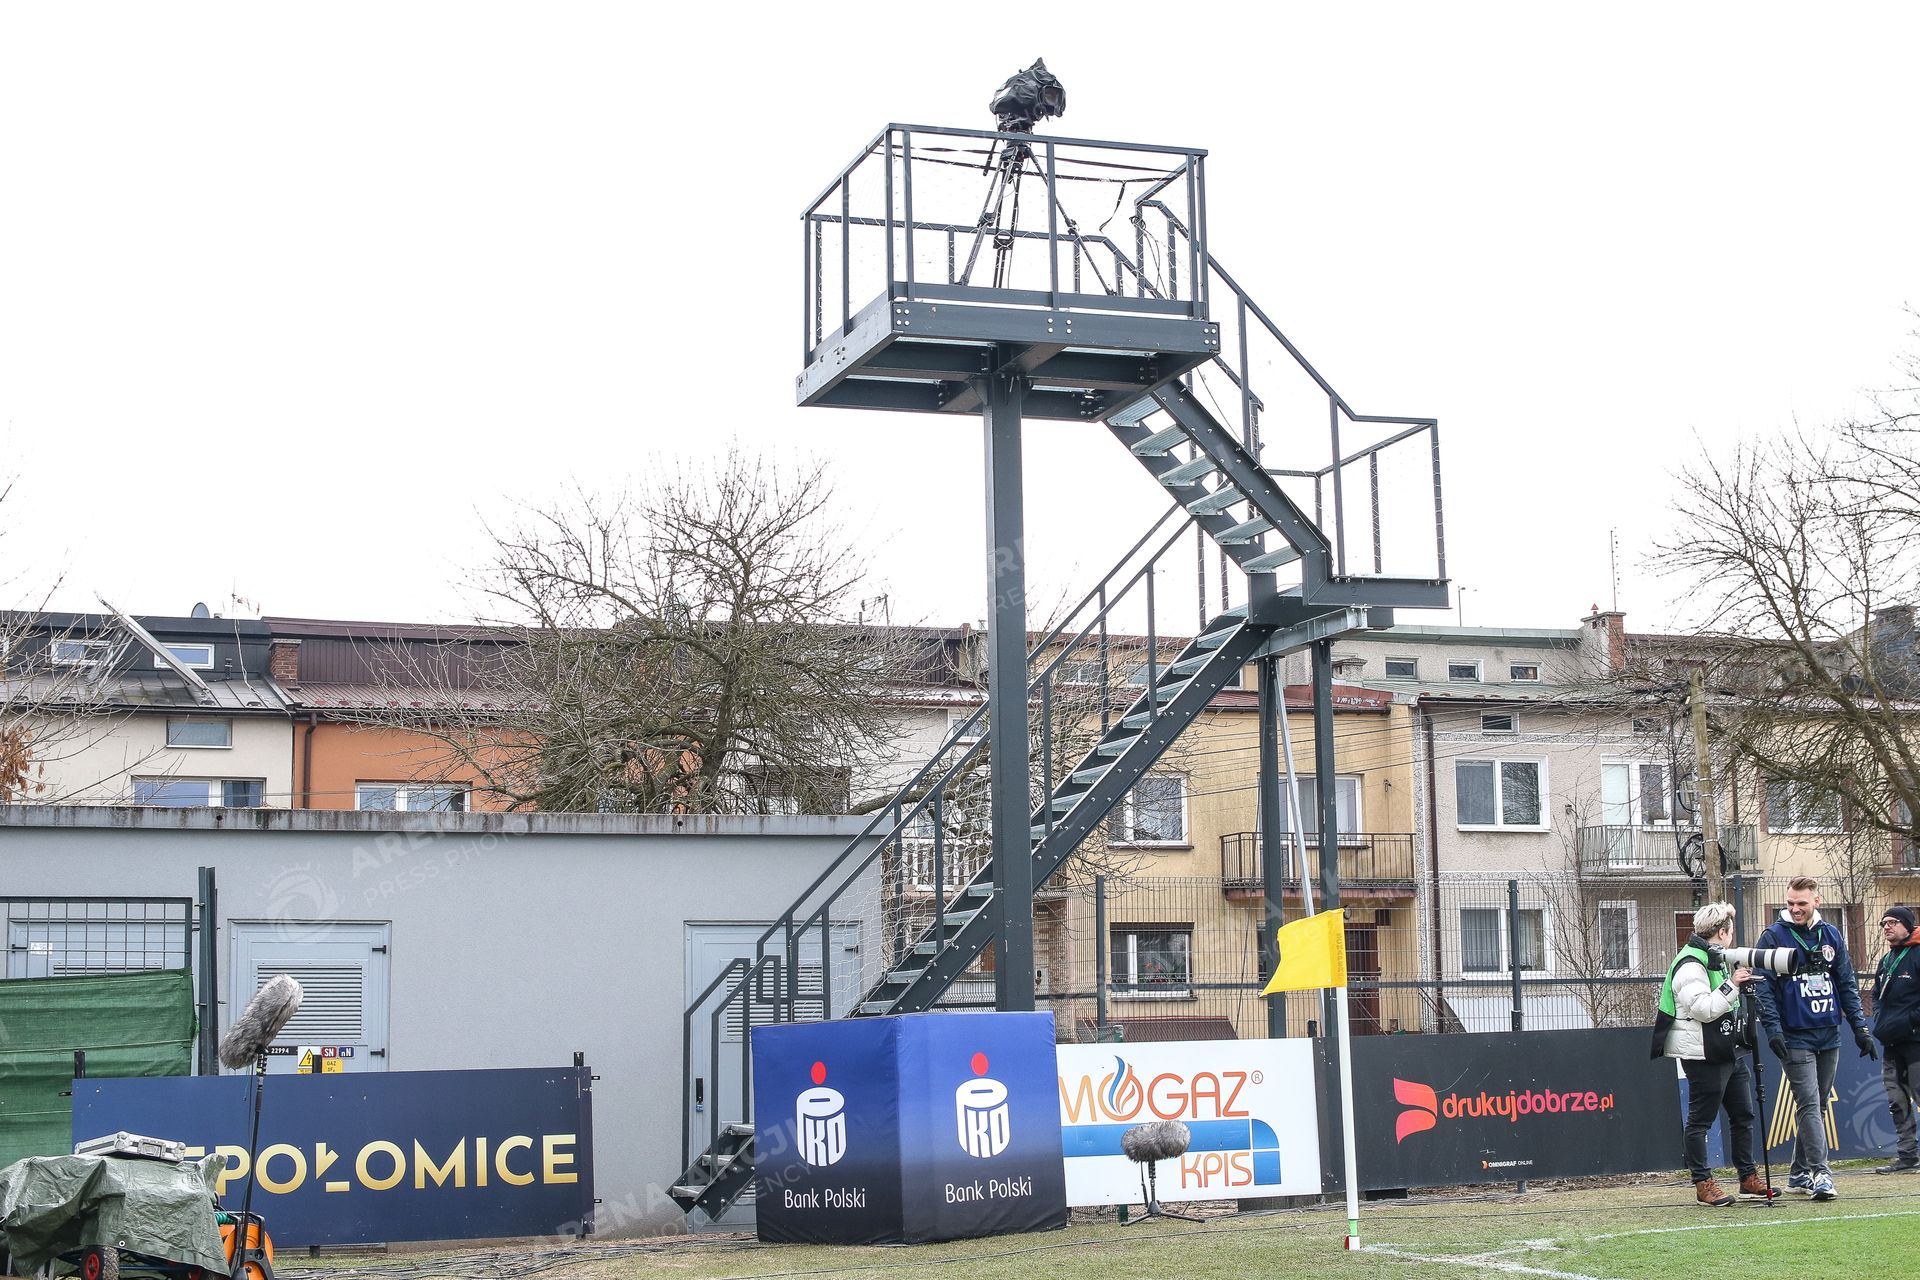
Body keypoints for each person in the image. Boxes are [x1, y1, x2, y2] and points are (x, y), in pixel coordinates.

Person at [1751, 876, 1874, 1201]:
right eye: (1790, 903)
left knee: (1816, 1105)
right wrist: (1773, 1030)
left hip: (1829, 1034)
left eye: (1801, 903)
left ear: (1816, 901)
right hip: (1794, 1037)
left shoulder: (1831, 934)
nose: (1795, 909)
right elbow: (1763, 987)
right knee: (1808, 1103)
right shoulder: (1773, 936)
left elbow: (1846, 983)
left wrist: (1860, 1029)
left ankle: (1798, 1173)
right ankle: (1821, 1174)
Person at [1653, 901, 1775, 1206]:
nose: (1732, 937)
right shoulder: (1690, 964)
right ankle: (1702, 1183)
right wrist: (1733, 984)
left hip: (1727, 1048)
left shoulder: (1713, 957)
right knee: (1700, 1122)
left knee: (1743, 1115)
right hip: (1702, 1053)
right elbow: (1703, 1009)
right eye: (1730, 930)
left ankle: (1747, 1177)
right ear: (1722, 932)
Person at [1871, 905, 1920, 1174]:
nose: (1887, 927)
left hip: (1915, 1042)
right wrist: (1880, 1019)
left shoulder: (1918, 954)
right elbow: (1877, 994)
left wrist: (1909, 1021)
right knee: (1896, 1100)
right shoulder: (1886, 960)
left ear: (1907, 925)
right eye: (1884, 923)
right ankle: (1907, 1156)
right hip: (1891, 1042)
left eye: (1892, 922)